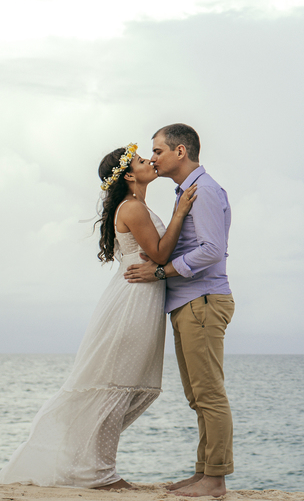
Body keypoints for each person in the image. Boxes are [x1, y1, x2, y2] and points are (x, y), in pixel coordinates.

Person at [0, 144, 198, 490]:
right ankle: (101, 475)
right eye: (139, 160)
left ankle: (88, 465)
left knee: (125, 386)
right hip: (132, 302)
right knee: (116, 384)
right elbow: (161, 252)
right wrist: (180, 213)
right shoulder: (133, 208)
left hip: (143, 298)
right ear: (130, 175)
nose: (149, 160)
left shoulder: (138, 205)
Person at [125, 123, 234, 499]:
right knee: (197, 395)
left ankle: (215, 480)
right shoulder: (187, 191)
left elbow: (210, 251)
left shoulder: (203, 191)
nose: (153, 158)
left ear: (180, 152)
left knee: (209, 394)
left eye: (157, 151)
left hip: (202, 299)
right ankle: (203, 473)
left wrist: (159, 272)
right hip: (190, 301)